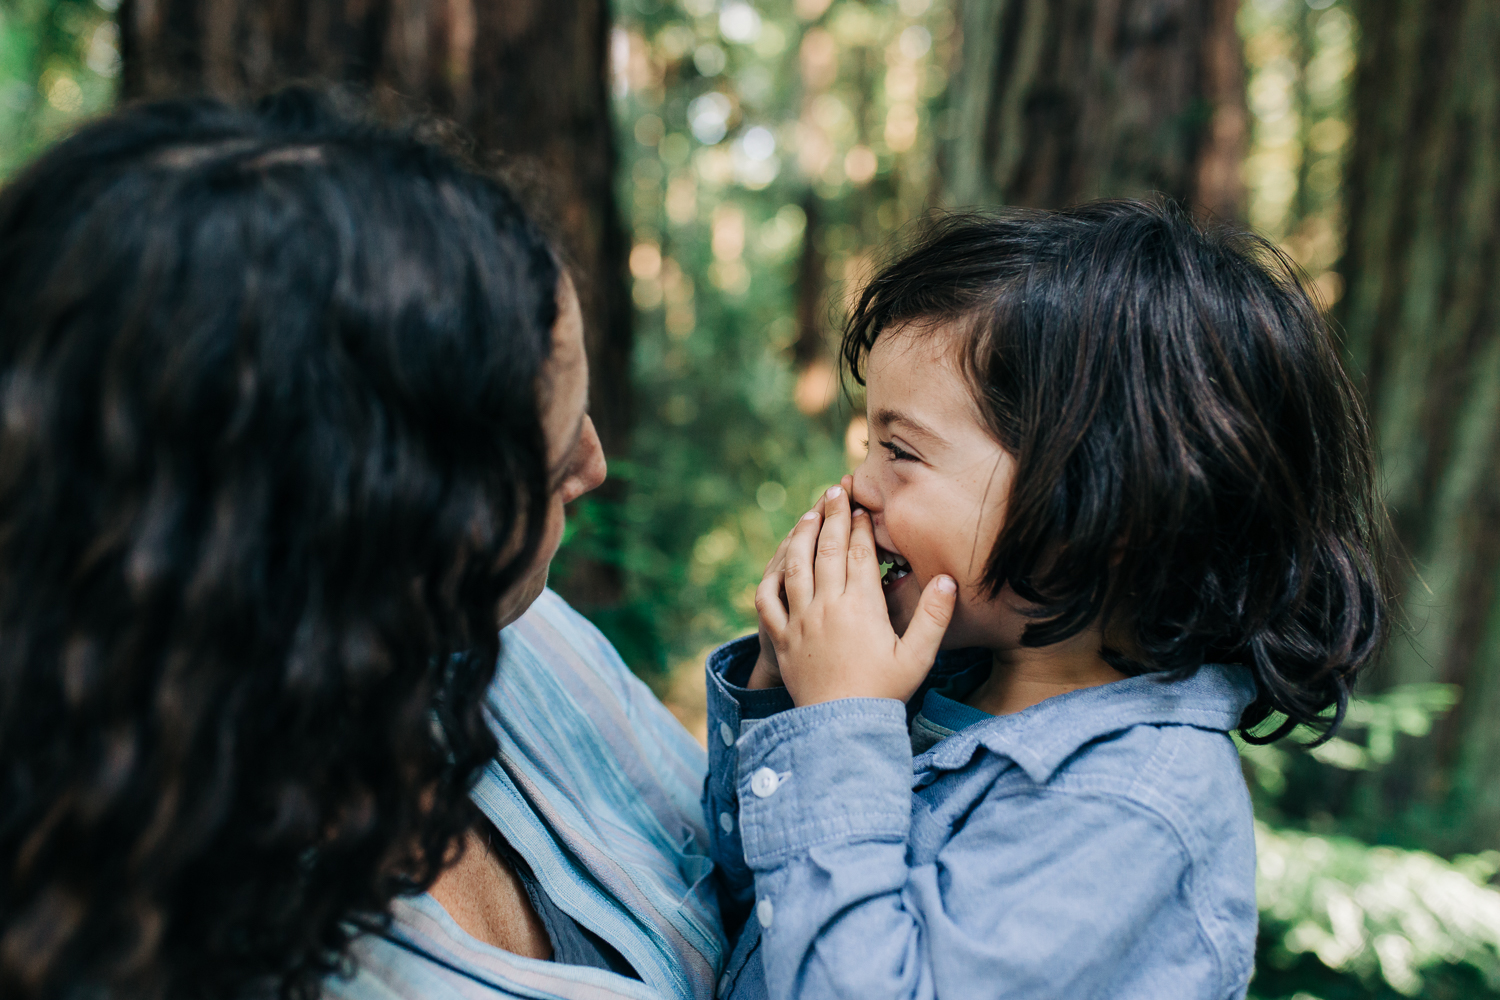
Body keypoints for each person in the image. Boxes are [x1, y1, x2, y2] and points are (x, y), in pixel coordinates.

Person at [0, 90, 724, 1000]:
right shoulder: (174, 948)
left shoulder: (521, 641)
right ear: (369, 535)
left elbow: (735, 868)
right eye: (547, 461)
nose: (595, 463)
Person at [702, 204, 1387, 999]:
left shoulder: (1132, 803)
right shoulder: (936, 684)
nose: (856, 487)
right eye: (866, 447)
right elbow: (761, 916)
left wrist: (837, 723)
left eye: (900, 450)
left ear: (1105, 504)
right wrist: (785, 693)